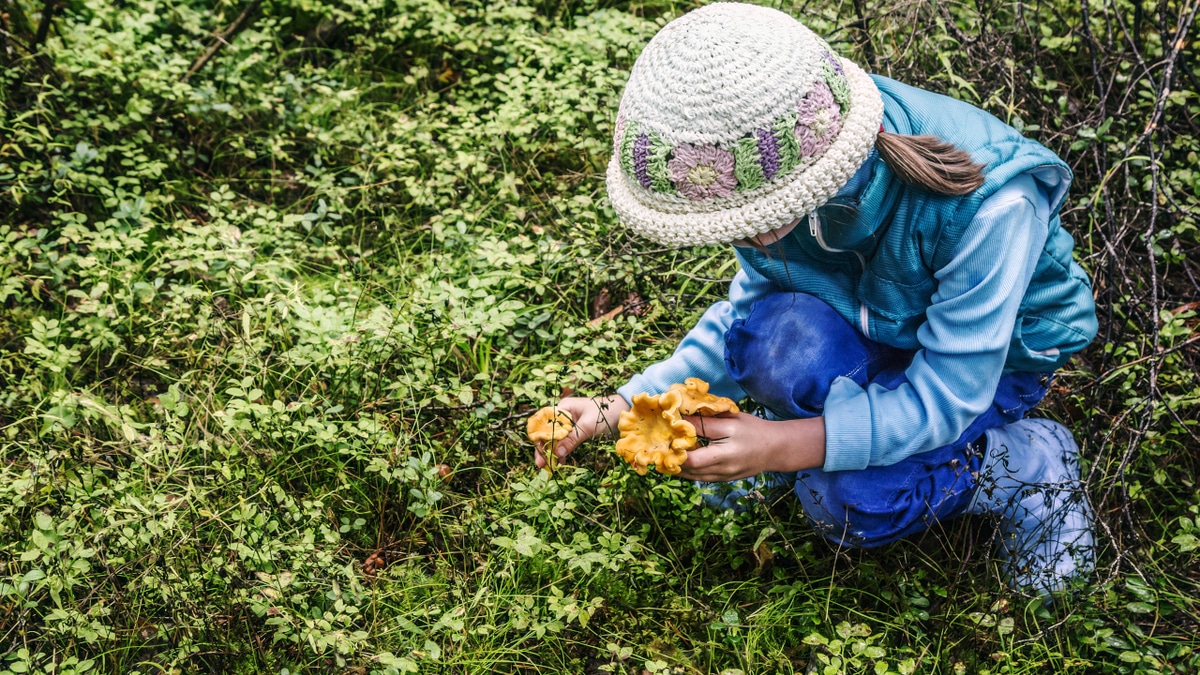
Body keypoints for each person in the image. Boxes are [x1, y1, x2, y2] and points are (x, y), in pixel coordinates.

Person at [532, 2, 1097, 596]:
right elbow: (745, 317)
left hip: (992, 368)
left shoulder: (990, 204)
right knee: (769, 339)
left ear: (807, 175)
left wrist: (780, 447)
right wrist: (618, 406)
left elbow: (949, 394)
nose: (740, 234)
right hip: (879, 325)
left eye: (748, 219)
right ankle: (814, 429)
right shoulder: (776, 173)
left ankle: (1029, 468)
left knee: (850, 501)